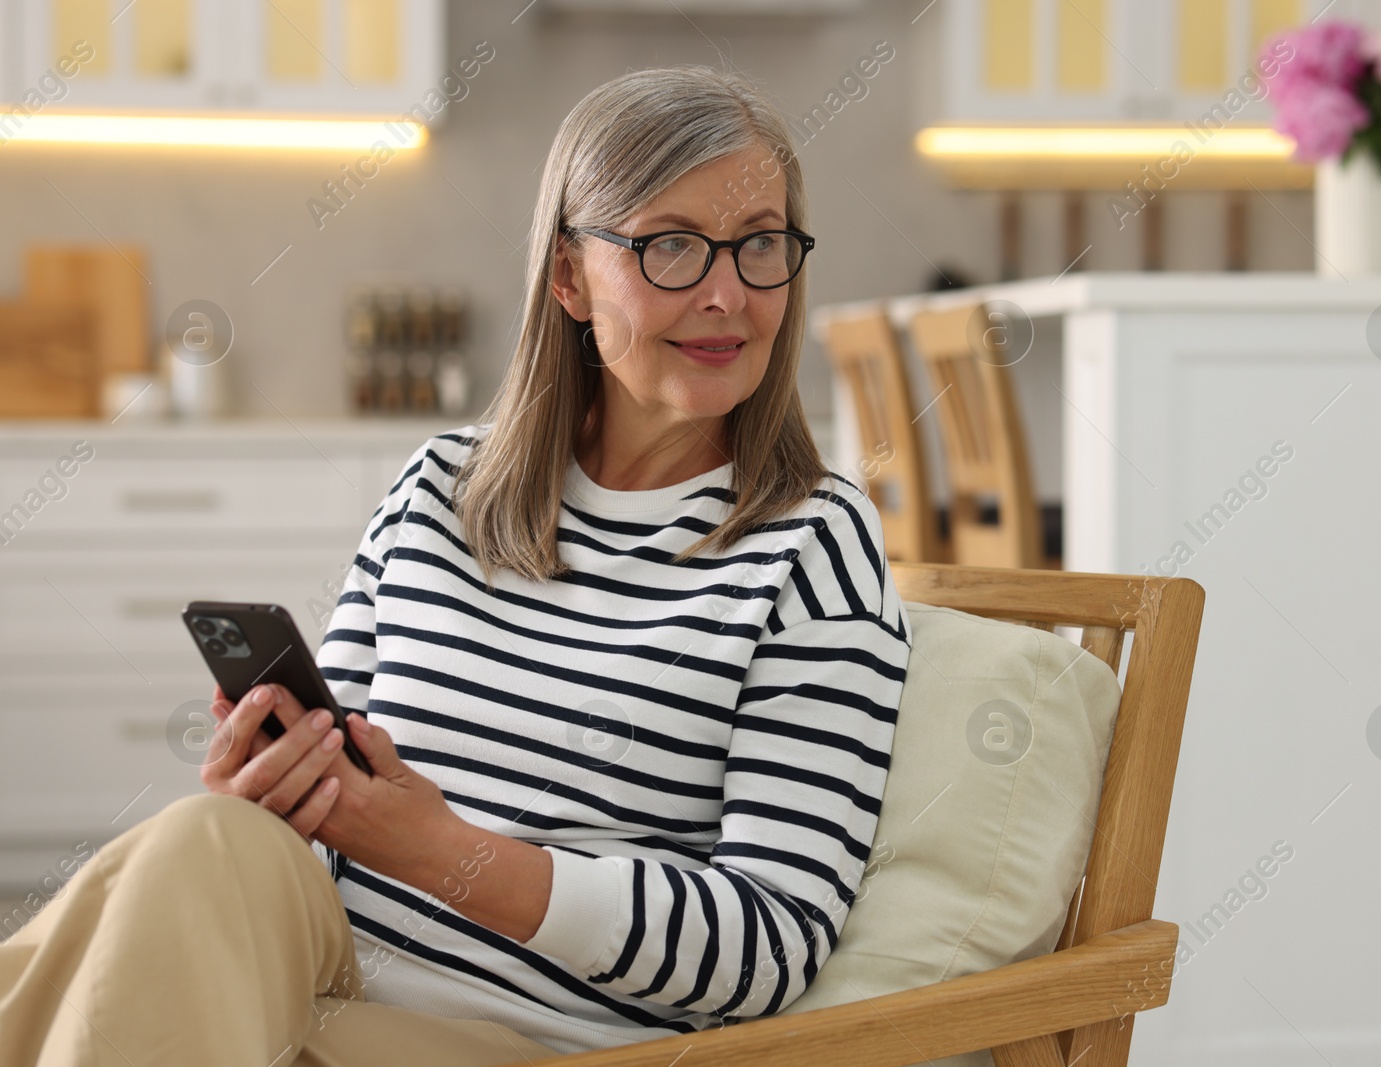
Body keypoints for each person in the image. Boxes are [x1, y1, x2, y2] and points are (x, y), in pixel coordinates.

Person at [0, 63, 912, 1067]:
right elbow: (329, 797)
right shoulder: (437, 487)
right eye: (672, 247)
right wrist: (271, 790)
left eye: (760, 246)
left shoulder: (812, 545)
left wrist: (444, 856)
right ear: (567, 275)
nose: (727, 293)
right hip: (318, 972)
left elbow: (768, 942)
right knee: (205, 838)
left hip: (537, 1038)